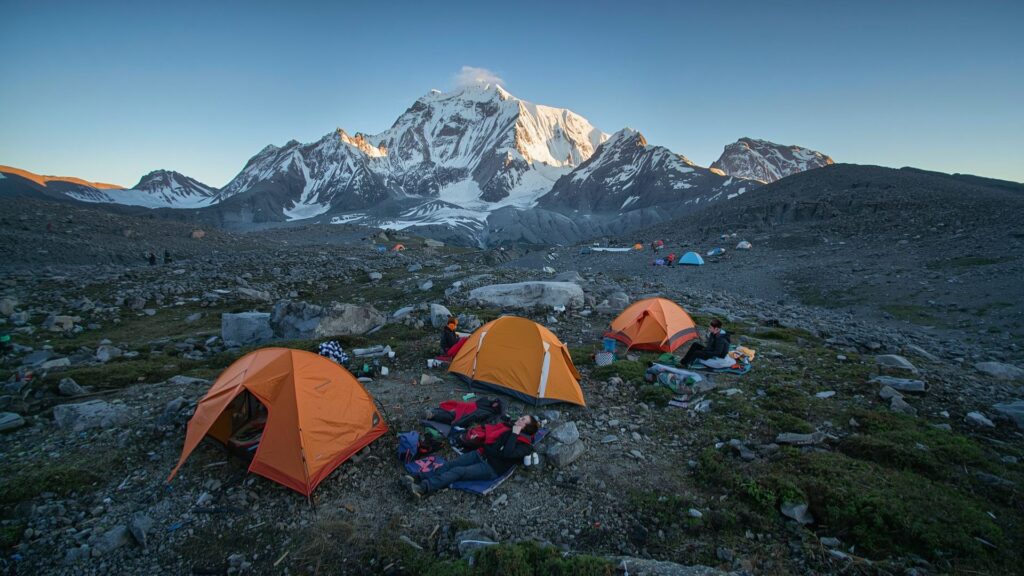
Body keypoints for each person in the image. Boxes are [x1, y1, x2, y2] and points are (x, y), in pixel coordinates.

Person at [403, 415, 539, 497]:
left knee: (458, 471)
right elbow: (494, 447)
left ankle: (422, 488)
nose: (519, 419)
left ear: (526, 427)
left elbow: (506, 453)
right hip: (481, 454)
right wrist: (496, 450)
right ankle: (417, 477)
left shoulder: (525, 447)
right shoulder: (509, 431)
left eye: (523, 419)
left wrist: (514, 434)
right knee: (451, 464)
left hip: (491, 468)